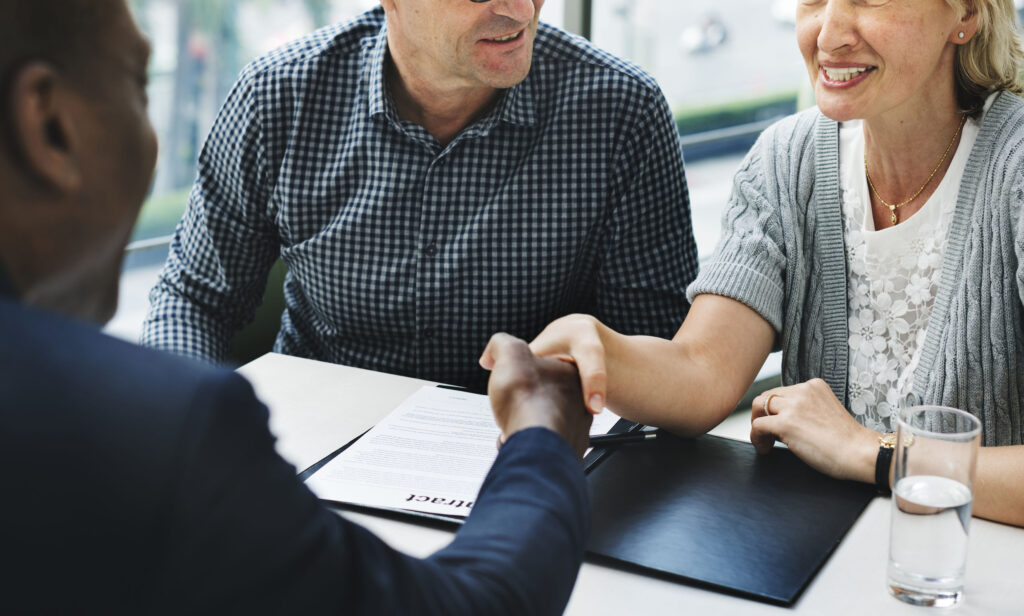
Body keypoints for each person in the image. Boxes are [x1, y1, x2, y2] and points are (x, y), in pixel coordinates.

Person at [0, 1, 594, 612]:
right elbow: (475, 606)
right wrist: (541, 433)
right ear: (49, 125)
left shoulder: (612, 107)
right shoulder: (157, 430)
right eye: (138, 85)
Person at [513, 0, 1024, 527]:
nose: (828, 35)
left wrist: (876, 455)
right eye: (813, 1)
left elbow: (866, 456)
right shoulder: (786, 159)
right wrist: (599, 349)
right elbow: (701, 372)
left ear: (965, 16)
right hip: (817, 562)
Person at [139, 0, 698, 392]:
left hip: (521, 451)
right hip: (313, 445)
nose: (522, 9)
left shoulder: (622, 112)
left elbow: (651, 350)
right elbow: (194, 300)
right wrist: (191, 430)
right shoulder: (277, 97)